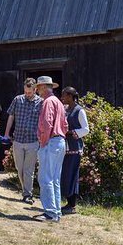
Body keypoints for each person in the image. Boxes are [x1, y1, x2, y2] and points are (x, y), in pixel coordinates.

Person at [35, 76, 68, 222]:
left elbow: (46, 124)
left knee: (45, 178)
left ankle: (50, 212)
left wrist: (43, 141)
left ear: (43, 87)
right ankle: (56, 211)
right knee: (54, 178)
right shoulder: (59, 102)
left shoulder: (48, 102)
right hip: (60, 141)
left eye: (38, 87)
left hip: (51, 141)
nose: (37, 90)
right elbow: (65, 125)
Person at [5, 78, 42, 203]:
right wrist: (6, 133)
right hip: (18, 139)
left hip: (33, 141)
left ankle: (27, 194)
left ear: (35, 89)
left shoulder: (41, 102)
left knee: (28, 170)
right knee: (19, 167)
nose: (27, 94)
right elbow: (11, 116)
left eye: (30, 92)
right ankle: (25, 190)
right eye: (25, 92)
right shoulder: (17, 99)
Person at [59, 87, 90, 215]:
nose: (62, 98)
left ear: (71, 96)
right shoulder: (66, 109)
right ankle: (68, 202)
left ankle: (72, 205)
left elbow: (86, 129)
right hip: (65, 147)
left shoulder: (79, 111)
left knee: (71, 175)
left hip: (74, 148)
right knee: (65, 175)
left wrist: (72, 132)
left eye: (65, 96)